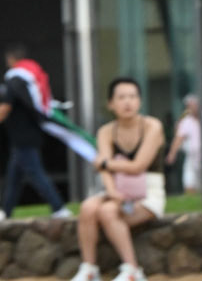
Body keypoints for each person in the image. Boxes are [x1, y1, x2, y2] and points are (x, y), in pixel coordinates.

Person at [73, 77, 166, 281]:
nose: (128, 102)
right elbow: (105, 171)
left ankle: (132, 269)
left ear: (140, 101)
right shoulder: (106, 131)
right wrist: (113, 191)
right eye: (121, 97)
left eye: (132, 96)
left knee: (107, 211)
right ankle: (89, 269)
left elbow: (138, 166)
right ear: (111, 103)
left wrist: (105, 163)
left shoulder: (152, 126)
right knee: (88, 207)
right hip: (117, 189)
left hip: (148, 192)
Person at [0, 41, 71, 220]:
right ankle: (5, 212)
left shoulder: (14, 80)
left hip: (23, 137)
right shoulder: (28, 79)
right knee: (14, 177)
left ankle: (59, 208)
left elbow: (5, 108)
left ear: (10, 59)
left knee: (36, 174)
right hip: (28, 135)